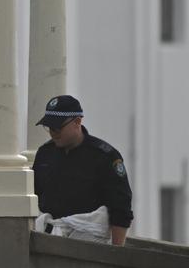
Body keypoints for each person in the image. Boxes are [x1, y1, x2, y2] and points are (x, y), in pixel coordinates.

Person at [32, 95, 133, 246]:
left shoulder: (104, 156)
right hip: (48, 240)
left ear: (77, 122)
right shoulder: (45, 153)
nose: (53, 132)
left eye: (58, 127)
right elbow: (35, 196)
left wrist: (116, 254)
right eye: (50, 128)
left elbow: (121, 209)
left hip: (89, 244)